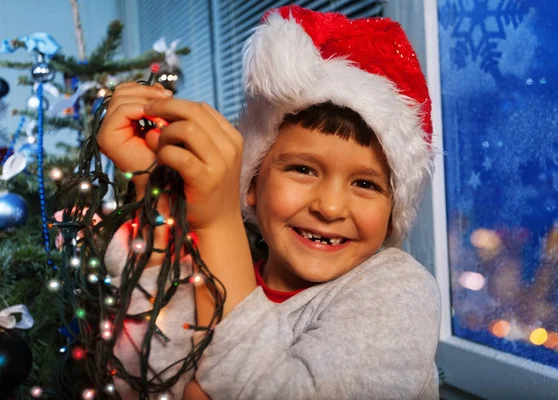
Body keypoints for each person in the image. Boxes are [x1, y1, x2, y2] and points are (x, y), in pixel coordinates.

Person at [100, 5, 441, 400]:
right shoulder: (208, 273)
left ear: (393, 210)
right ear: (252, 181)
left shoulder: (398, 290)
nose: (330, 208)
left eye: (365, 183)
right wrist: (155, 196)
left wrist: (217, 222)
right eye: (302, 169)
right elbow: (138, 382)